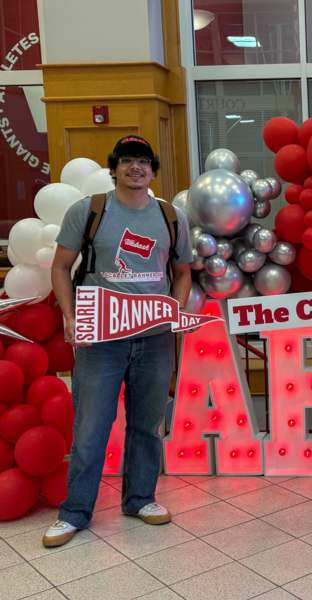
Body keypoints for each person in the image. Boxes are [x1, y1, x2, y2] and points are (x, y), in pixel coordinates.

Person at [43, 135, 193, 547]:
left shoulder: (171, 217)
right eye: (126, 160)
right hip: (101, 339)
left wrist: (175, 311)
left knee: (147, 423)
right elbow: (60, 267)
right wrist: (70, 315)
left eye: (143, 161)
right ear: (115, 169)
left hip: (154, 338)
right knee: (91, 426)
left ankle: (140, 499)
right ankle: (74, 513)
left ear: (153, 171)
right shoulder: (89, 210)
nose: (135, 167)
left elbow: (183, 272)